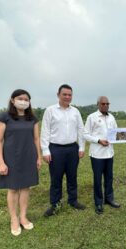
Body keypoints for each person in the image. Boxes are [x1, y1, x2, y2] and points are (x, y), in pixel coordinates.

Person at [0, 89, 41, 236]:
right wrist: (1, 162)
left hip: (29, 156)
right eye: (20, 98)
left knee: (26, 187)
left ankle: (23, 216)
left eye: (26, 99)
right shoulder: (4, 117)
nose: (24, 101)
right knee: (13, 188)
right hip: (11, 157)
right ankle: (14, 219)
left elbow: (36, 139)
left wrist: (38, 157)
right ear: (13, 100)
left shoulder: (32, 118)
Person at [41, 84, 85, 217]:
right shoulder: (50, 110)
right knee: (56, 178)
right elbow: (45, 131)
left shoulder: (75, 112)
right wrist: (45, 150)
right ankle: (55, 204)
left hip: (72, 148)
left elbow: (80, 129)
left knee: (72, 176)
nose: (67, 97)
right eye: (64, 94)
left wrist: (81, 147)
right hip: (56, 149)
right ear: (58, 95)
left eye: (69, 95)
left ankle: (73, 200)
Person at [84, 96, 121, 214]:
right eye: (103, 104)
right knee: (97, 179)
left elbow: (115, 132)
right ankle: (99, 202)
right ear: (98, 104)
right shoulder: (92, 117)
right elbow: (85, 134)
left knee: (109, 178)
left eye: (107, 104)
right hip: (97, 154)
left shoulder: (111, 117)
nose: (105, 106)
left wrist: (124, 132)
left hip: (109, 153)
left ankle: (109, 199)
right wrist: (99, 140)